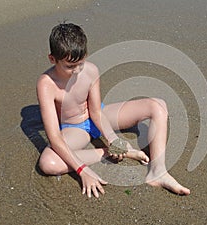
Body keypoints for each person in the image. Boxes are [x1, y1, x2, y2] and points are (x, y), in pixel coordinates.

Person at [37, 23, 190, 198]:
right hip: (74, 128)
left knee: (158, 105)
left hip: (99, 115)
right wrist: (82, 170)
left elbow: (96, 112)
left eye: (80, 64)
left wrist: (113, 139)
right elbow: (54, 137)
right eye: (69, 67)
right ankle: (106, 153)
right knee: (49, 163)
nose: (76, 71)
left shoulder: (91, 70)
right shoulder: (46, 84)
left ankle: (158, 171)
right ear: (52, 59)